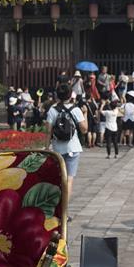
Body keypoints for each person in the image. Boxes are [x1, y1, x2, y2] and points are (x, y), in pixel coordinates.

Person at [46, 83, 89, 212]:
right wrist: (85, 114)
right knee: (69, 180)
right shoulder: (76, 110)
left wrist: (46, 147)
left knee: (59, 180)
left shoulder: (52, 110)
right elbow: (84, 129)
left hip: (57, 149)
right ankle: (64, 211)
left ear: (57, 95)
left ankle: (56, 208)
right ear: (70, 95)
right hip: (73, 148)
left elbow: (48, 131)